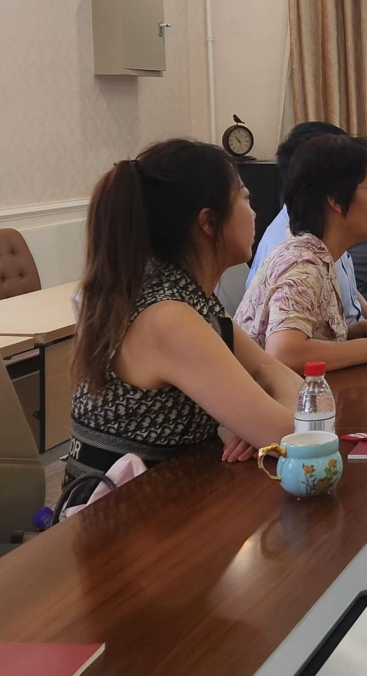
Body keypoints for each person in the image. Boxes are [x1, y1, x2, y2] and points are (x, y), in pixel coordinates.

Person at [65, 140, 303, 504]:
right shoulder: (168, 315)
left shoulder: (186, 296)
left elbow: (280, 378)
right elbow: (293, 434)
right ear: (208, 221)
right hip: (118, 520)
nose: (254, 213)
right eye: (244, 198)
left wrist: (265, 419)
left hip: (166, 499)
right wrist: (267, 421)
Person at [235, 135, 367, 372]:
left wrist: (364, 329)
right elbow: (284, 353)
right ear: (335, 200)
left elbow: (312, 336)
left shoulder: (319, 255)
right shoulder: (301, 264)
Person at [249, 122, 367, 326]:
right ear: (335, 197)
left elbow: (350, 304)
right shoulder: (298, 260)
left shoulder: (322, 240)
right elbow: (284, 344)